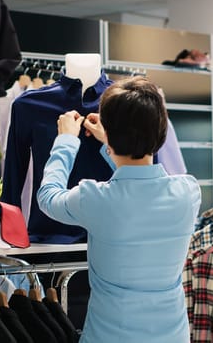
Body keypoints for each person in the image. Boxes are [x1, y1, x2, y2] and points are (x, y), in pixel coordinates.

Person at [37, 76, 202, 342]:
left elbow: (48, 197)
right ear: (161, 133)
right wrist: (112, 143)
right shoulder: (188, 193)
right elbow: (139, 189)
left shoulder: (94, 199)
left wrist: (66, 140)